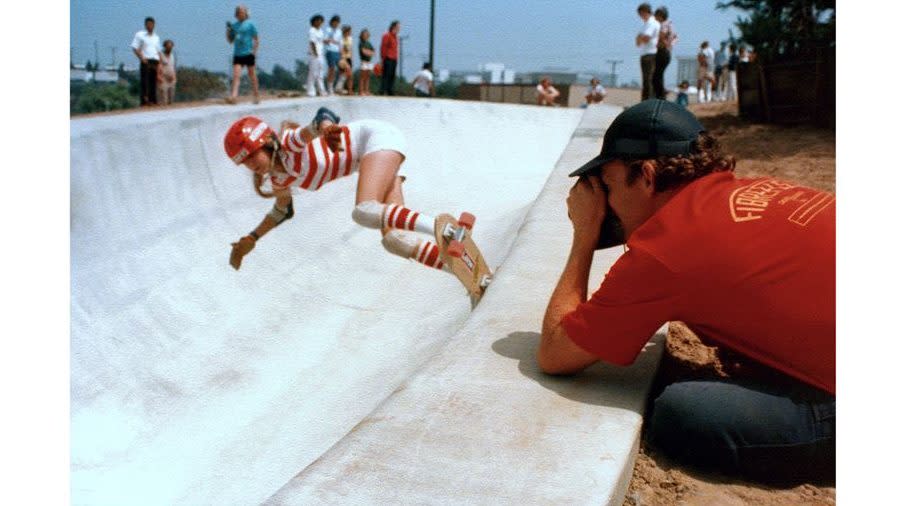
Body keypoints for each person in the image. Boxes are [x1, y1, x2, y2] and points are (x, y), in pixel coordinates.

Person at [540, 100, 835, 484]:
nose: (604, 203)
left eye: (607, 187)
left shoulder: (666, 248)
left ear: (646, 176)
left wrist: (584, 235)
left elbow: (554, 352)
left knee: (682, 413)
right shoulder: (755, 189)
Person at [224, 108, 449, 275]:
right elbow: (282, 211)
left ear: (266, 142)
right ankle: (461, 267)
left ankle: (445, 230)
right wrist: (251, 239)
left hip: (377, 139)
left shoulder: (289, 144)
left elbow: (322, 116)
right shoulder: (279, 179)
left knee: (364, 211)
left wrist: (326, 129)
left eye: (252, 155)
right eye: (244, 162)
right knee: (395, 241)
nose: (251, 165)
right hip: (371, 161)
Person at [225, 5, 260, 104]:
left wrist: (254, 52)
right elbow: (230, 41)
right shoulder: (234, 26)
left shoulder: (250, 24)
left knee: (252, 75)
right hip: (238, 53)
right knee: (236, 75)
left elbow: (256, 39)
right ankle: (234, 97)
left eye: (242, 12)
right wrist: (228, 31)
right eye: (239, 12)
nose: (240, 13)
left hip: (248, 53)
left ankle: (256, 94)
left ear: (245, 13)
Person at [131, 16, 162, 106]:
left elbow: (159, 50)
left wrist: (160, 63)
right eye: (148, 24)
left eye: (151, 24)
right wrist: (142, 58)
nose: (150, 26)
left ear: (154, 25)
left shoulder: (156, 37)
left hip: (155, 60)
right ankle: (144, 101)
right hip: (146, 60)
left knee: (153, 82)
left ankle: (153, 100)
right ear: (145, 25)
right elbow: (135, 48)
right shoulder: (140, 35)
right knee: (145, 82)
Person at [635, 3, 660, 101]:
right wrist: (639, 38)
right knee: (645, 79)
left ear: (645, 12)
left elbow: (645, 38)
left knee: (648, 79)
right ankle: (646, 99)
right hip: (645, 52)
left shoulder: (652, 23)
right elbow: (637, 41)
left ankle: (647, 100)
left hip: (650, 53)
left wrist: (640, 38)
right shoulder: (645, 24)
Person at [652, 6, 676, 100]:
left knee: (656, 75)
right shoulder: (670, 24)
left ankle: (660, 95)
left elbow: (662, 34)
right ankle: (660, 94)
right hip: (666, 51)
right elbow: (675, 37)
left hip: (662, 51)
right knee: (658, 74)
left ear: (660, 16)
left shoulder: (664, 24)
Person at [306, 14, 326, 97]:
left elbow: (321, 42)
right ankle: (310, 90)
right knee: (313, 73)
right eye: (318, 21)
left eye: (321, 21)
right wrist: (315, 53)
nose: (320, 22)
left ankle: (321, 90)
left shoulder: (320, 31)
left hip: (321, 54)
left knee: (320, 73)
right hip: (314, 54)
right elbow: (312, 42)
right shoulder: (312, 30)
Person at [380, 20, 400, 96]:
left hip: (394, 58)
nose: (399, 29)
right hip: (388, 58)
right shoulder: (387, 35)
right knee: (386, 75)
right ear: (393, 27)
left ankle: (390, 90)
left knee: (392, 75)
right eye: (398, 27)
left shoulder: (395, 37)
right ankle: (383, 90)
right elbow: (383, 47)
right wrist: (382, 58)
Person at [323, 15, 342, 95]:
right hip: (330, 50)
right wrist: (331, 40)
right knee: (332, 69)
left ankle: (338, 86)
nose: (336, 24)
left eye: (337, 22)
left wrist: (341, 51)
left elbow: (340, 42)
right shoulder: (328, 30)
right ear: (332, 22)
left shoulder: (339, 31)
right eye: (335, 22)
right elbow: (324, 40)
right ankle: (329, 87)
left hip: (337, 51)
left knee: (343, 69)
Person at [333, 25, 354, 95]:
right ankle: (339, 88)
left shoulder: (350, 39)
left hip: (349, 58)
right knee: (347, 73)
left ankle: (346, 89)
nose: (350, 33)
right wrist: (343, 59)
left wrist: (351, 57)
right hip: (342, 58)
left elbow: (351, 49)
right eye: (349, 31)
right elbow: (341, 50)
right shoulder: (341, 40)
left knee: (346, 75)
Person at [156, 39, 176, 106]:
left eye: (171, 47)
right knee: (163, 100)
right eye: (168, 46)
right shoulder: (160, 55)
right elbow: (158, 65)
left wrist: (174, 76)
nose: (169, 48)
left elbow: (173, 66)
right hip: (163, 78)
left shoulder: (172, 55)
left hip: (171, 78)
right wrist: (158, 75)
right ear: (164, 47)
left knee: (171, 99)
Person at [357, 28, 375, 96]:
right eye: (364, 34)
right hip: (364, 61)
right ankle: (361, 91)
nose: (365, 35)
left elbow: (373, 51)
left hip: (369, 62)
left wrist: (369, 52)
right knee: (362, 77)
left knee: (368, 77)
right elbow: (363, 52)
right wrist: (369, 52)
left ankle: (366, 90)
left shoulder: (369, 43)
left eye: (366, 34)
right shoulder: (361, 43)